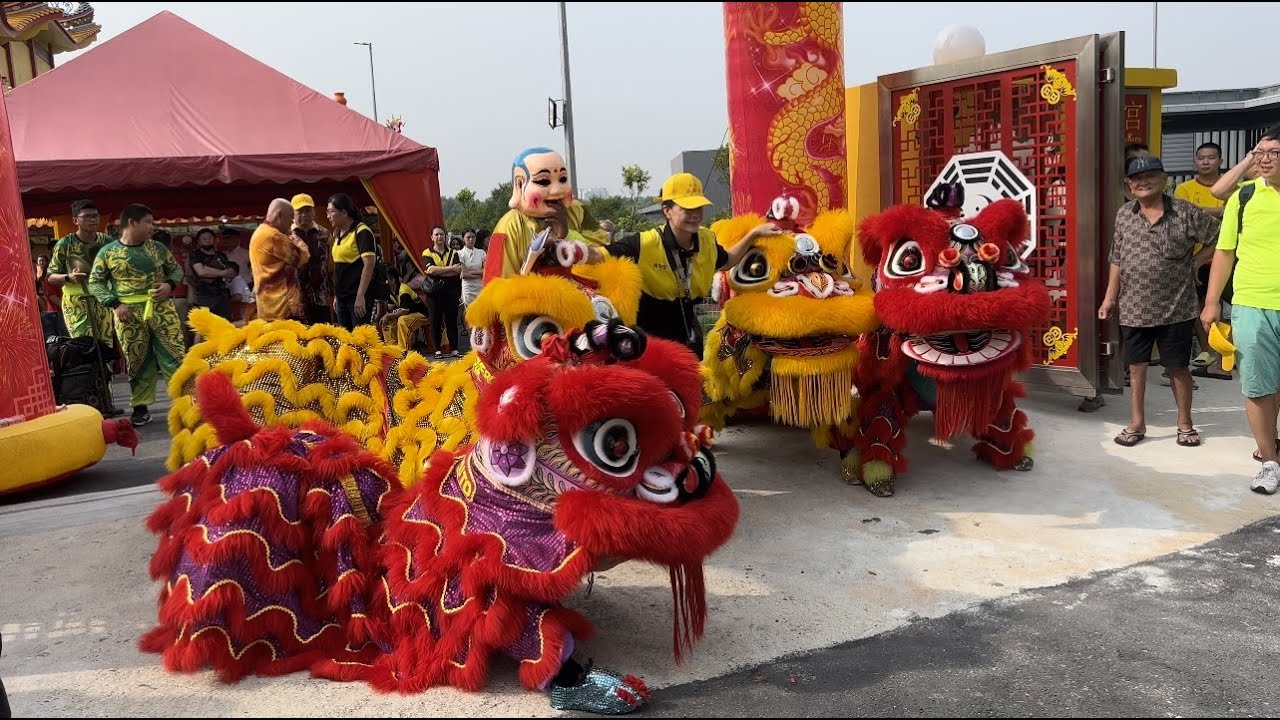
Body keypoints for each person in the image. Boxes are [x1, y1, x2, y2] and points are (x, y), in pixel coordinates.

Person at [1098, 156, 1218, 450]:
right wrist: (1109, 297)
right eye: (1136, 178)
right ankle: (1137, 423)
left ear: (1164, 179)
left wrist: (1197, 261)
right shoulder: (1124, 214)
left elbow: (1218, 238)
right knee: (1136, 367)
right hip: (1134, 307)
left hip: (1176, 306)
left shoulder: (1185, 212)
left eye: (1150, 176)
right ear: (1128, 185)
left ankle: (1184, 424)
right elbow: (1117, 258)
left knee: (1177, 367)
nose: (1142, 182)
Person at [600, 173, 780, 354]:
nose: (695, 214)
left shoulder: (706, 240)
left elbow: (727, 261)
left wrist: (754, 234)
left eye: (699, 207)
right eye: (687, 208)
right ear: (667, 210)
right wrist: (577, 251)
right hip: (650, 342)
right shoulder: (644, 243)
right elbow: (601, 255)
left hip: (687, 338)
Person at [1201, 129, 1280, 494]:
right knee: (1258, 385)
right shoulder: (1244, 196)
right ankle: (1269, 460)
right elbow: (1224, 252)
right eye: (1259, 153)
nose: (1265, 159)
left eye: (1273, 152)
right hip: (1251, 303)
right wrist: (1212, 301)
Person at [88, 203, 186, 427]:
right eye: (148, 222)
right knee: (137, 360)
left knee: (176, 355)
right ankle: (140, 407)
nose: (152, 227)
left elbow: (176, 270)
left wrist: (170, 285)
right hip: (128, 314)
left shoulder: (158, 248)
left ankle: (185, 404)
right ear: (132, 223)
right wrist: (115, 303)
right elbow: (95, 283)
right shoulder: (108, 252)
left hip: (161, 309)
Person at [483, 147, 607, 281]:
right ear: (520, 184)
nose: (556, 190)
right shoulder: (506, 228)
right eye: (543, 181)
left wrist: (566, 235)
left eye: (562, 179)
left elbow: (603, 253)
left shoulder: (578, 210)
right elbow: (495, 286)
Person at [46, 199, 113, 344]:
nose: (93, 220)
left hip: (102, 300)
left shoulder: (107, 241)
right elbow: (51, 277)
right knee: (84, 346)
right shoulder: (65, 244)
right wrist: (68, 277)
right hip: (76, 303)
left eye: (95, 216)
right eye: (87, 217)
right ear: (76, 220)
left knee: (106, 347)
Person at [327, 194, 382, 330]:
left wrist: (360, 296)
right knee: (345, 339)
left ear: (344, 212)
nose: (328, 216)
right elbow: (338, 268)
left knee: (360, 339)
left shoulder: (362, 231)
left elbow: (369, 265)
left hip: (357, 296)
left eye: (331, 212)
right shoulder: (336, 233)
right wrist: (336, 296)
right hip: (342, 298)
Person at [250, 199, 311, 321]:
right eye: (290, 217)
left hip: (268, 307)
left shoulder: (261, 231)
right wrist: (297, 240)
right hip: (281, 309)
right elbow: (303, 258)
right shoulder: (274, 236)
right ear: (279, 216)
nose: (292, 222)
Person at [289, 193, 334, 324]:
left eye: (308, 210)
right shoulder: (286, 235)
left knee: (323, 335)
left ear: (314, 212)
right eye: (300, 211)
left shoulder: (325, 234)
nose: (304, 215)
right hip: (295, 299)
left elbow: (332, 264)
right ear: (293, 213)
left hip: (321, 297)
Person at [421, 225, 462, 356]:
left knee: (451, 320)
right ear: (432, 237)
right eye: (437, 234)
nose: (439, 237)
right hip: (434, 293)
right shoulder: (427, 252)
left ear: (445, 237)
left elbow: (457, 271)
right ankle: (437, 349)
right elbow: (430, 270)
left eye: (442, 234)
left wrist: (438, 271)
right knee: (435, 321)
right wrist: (450, 269)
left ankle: (454, 348)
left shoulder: (453, 253)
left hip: (451, 292)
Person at [187, 228, 237, 321]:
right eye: (204, 239)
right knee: (205, 325)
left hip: (222, 294)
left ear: (214, 239)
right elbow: (201, 271)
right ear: (199, 241)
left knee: (225, 322)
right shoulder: (195, 255)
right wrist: (222, 272)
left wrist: (229, 272)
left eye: (210, 238)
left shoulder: (221, 255)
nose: (207, 240)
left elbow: (230, 272)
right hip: (204, 295)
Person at [456, 228, 486, 352]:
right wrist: (477, 273)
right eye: (468, 237)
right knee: (469, 315)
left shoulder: (481, 252)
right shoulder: (460, 253)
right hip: (468, 288)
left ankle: (481, 341)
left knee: (482, 315)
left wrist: (471, 272)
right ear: (464, 239)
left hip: (480, 287)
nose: (471, 239)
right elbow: (463, 274)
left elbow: (486, 272)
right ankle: (471, 341)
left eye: (473, 237)